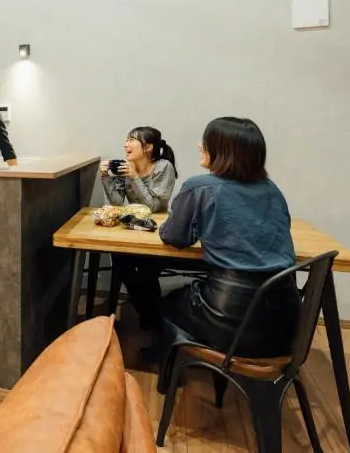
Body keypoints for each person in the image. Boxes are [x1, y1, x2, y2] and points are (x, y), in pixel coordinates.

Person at [158, 116, 300, 361]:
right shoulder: (272, 190)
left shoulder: (200, 187)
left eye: (206, 142)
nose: (200, 146)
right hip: (286, 324)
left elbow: (173, 236)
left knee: (168, 300)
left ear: (223, 151)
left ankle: (163, 364)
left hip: (229, 322)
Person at [99, 127, 178, 332]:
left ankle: (154, 322)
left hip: (158, 234)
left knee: (145, 274)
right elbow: (117, 203)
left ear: (148, 147)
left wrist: (134, 178)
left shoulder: (163, 167)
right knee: (121, 263)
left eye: (132, 140)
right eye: (126, 140)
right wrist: (106, 177)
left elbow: (154, 207)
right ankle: (152, 320)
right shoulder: (127, 167)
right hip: (133, 230)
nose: (126, 144)